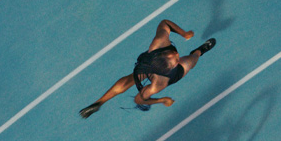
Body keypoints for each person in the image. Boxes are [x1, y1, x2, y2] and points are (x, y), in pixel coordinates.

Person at [79, 19, 216, 117]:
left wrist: (184, 33)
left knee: (130, 79)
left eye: (173, 53)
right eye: (175, 60)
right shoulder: (159, 84)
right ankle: (199, 51)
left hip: (147, 64)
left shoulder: (159, 43)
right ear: (170, 68)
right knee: (190, 62)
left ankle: (99, 102)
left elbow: (165, 22)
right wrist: (162, 100)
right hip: (161, 74)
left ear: (162, 52)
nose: (177, 54)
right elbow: (139, 99)